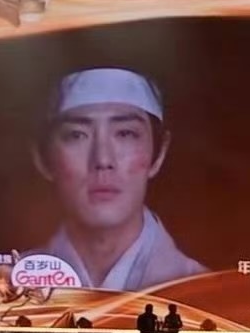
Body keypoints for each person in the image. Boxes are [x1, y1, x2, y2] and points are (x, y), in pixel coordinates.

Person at [29, 68, 207, 291]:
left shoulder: (209, 294)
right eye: (76, 135)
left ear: (159, 153)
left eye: (125, 133)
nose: (103, 159)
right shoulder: (1, 288)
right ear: (42, 158)